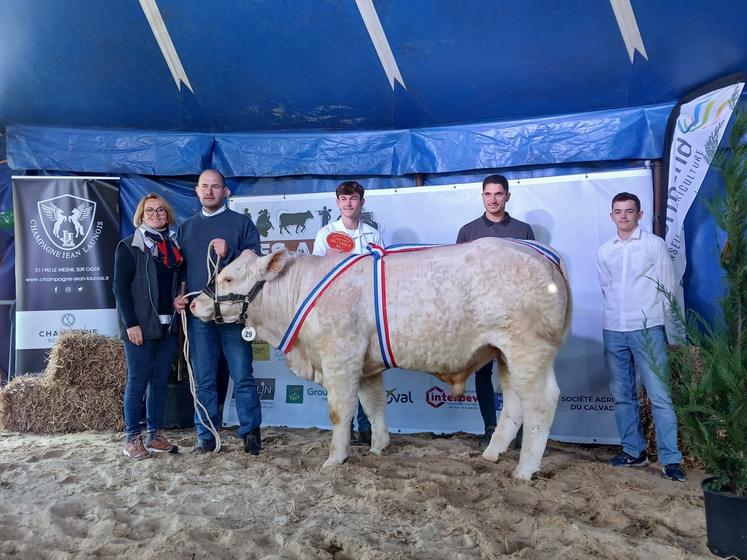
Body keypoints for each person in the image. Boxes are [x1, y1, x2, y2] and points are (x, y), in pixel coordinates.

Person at [596, 192, 686, 482]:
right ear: (612, 216)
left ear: (640, 214)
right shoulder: (605, 251)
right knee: (622, 394)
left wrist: (663, 326)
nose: (623, 216)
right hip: (613, 328)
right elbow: (606, 287)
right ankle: (633, 451)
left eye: (629, 211)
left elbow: (667, 288)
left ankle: (671, 459)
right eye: (618, 211)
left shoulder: (654, 245)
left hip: (647, 328)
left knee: (659, 395)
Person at [174, 169, 263, 455]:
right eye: (204, 186)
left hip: (233, 315)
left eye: (215, 187)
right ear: (197, 191)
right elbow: (181, 270)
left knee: (243, 375)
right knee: (204, 378)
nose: (209, 191)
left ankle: (250, 434)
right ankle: (207, 435)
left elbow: (255, 265)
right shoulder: (186, 228)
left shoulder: (241, 223)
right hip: (200, 315)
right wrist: (179, 295)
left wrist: (232, 251)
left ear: (225, 191)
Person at [456, 174, 534, 449]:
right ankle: (490, 427)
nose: (493, 199)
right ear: (482, 197)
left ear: (507, 196)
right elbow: (460, 277)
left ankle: (519, 428)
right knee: (482, 373)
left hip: (515, 317)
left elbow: (530, 277)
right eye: (488, 194)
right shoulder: (468, 231)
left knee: (518, 372)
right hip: (481, 318)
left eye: (498, 194)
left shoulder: (524, 231)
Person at [312, 181, 383, 445]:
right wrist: (328, 259)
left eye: (353, 198)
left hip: (366, 310)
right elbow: (315, 274)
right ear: (337, 202)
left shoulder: (372, 235)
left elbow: (380, 271)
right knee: (341, 370)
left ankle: (368, 428)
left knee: (369, 366)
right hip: (337, 312)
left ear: (361, 202)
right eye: (344, 199)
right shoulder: (325, 234)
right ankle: (346, 428)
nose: (349, 203)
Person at [114, 193, 182, 459]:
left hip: (168, 325)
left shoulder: (174, 246)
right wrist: (131, 324)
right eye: (150, 211)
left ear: (168, 215)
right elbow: (120, 289)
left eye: (161, 210)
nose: (156, 214)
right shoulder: (129, 246)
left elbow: (174, 283)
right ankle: (132, 438)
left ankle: (155, 435)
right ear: (141, 215)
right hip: (140, 326)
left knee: (160, 382)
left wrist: (179, 297)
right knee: (138, 381)